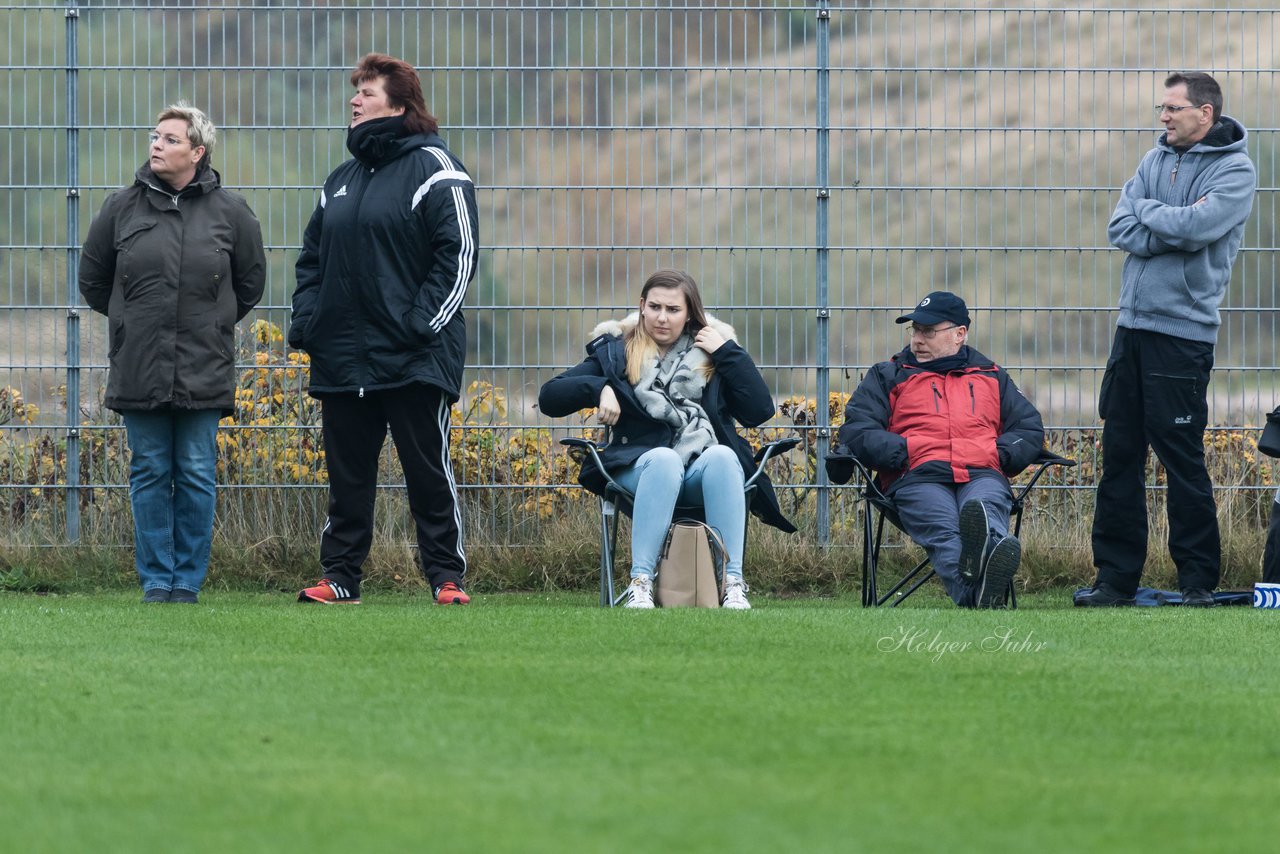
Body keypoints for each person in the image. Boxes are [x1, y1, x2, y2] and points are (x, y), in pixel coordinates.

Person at [289, 53, 478, 606]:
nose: (355, 100)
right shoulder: (340, 180)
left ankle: (446, 578)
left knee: (427, 472)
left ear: (399, 104)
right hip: (343, 358)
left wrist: (421, 324)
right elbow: (311, 260)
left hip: (416, 356)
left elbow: (459, 254)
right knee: (347, 478)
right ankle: (340, 576)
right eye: (356, 92)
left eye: (367, 93)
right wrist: (307, 323)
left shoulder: (438, 169)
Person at [1080, 72, 1256, 608]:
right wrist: (1167, 223)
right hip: (1130, 332)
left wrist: (1152, 215)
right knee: (1120, 456)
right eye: (1162, 107)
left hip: (1182, 339)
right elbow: (1120, 227)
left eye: (1173, 108)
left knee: (1181, 460)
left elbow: (1194, 229)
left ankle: (1197, 582)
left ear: (1205, 113)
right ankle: (1114, 580)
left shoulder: (1236, 169)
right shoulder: (1152, 161)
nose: (1163, 117)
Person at [79, 102, 266, 604]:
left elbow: (249, 285)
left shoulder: (232, 212)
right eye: (154, 136)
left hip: (205, 366)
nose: (156, 144)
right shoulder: (120, 208)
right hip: (139, 363)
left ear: (197, 152)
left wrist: (212, 322)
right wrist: (129, 322)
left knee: (198, 472)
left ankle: (187, 581)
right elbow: (93, 281)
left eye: (170, 139)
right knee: (150, 471)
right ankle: (156, 580)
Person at [538, 269, 796, 609]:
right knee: (664, 458)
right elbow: (549, 398)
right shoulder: (618, 353)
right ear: (642, 306)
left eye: (673, 310)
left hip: (699, 473)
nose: (662, 317)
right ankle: (641, 583)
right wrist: (600, 386)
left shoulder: (712, 356)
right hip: (638, 470)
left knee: (721, 456)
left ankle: (731, 583)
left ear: (689, 313)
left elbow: (759, 410)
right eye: (655, 307)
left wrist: (727, 352)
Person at [838, 291, 1044, 608]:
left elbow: (1028, 427)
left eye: (928, 331)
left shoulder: (991, 376)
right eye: (915, 330)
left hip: (980, 471)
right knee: (946, 528)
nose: (918, 339)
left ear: (960, 334)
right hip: (918, 476)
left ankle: (983, 563)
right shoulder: (887, 375)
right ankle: (983, 584)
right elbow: (858, 428)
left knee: (982, 509)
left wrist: (999, 454)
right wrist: (902, 450)